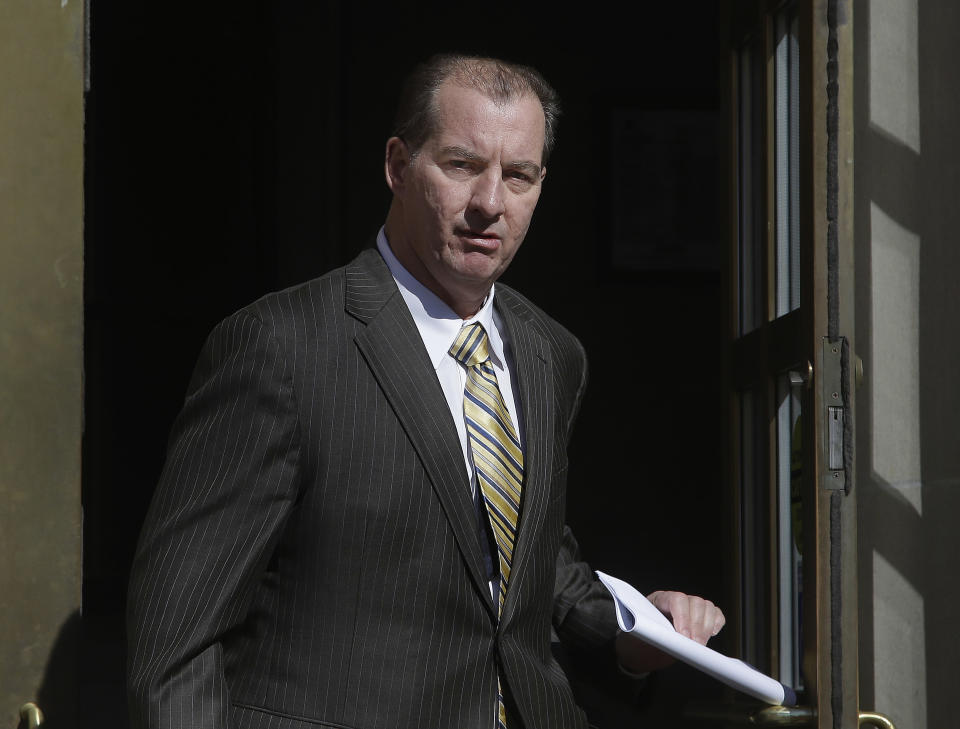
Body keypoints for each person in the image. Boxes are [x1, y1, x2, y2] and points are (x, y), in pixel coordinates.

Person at [126, 53, 725, 729]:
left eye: (519, 176)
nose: (490, 203)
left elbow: (528, 559)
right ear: (396, 164)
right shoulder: (280, 346)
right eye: (462, 165)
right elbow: (177, 639)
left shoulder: (552, 353)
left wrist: (632, 636)